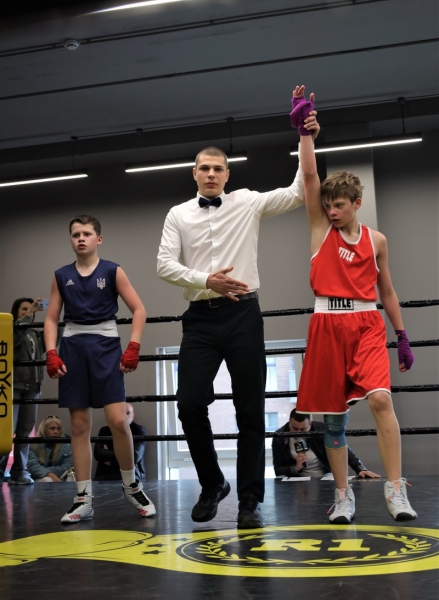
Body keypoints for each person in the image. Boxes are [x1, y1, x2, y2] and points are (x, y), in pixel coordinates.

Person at [157, 112, 320, 529]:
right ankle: (213, 483)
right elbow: (163, 265)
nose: (211, 174)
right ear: (194, 174)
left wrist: (304, 137)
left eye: (218, 168)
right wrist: (205, 280)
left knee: (250, 408)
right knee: (189, 404)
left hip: (244, 315)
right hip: (200, 318)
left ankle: (250, 499)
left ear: (227, 174)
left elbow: (299, 192)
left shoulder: (247, 201)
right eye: (204, 168)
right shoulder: (178, 214)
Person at [291, 85, 417, 523]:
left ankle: (395, 489)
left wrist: (401, 335)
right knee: (333, 422)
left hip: (366, 323)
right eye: (327, 205)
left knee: (381, 399)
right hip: (326, 324)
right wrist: (305, 134)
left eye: (339, 205)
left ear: (357, 204)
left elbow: (388, 291)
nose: (331, 211)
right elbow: (310, 177)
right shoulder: (319, 229)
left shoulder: (376, 240)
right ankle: (343, 495)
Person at [44, 214, 155, 523]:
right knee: (79, 425)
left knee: (118, 420)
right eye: (75, 234)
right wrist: (51, 352)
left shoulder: (112, 270)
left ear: (98, 239)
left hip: (106, 346)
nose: (81, 238)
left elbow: (139, 309)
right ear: (71, 240)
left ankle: (132, 486)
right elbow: (51, 318)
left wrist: (133, 346)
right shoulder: (60, 275)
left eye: (87, 233)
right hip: (73, 347)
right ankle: (83, 499)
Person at [0, 297, 46, 485]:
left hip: (33, 385)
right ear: (16, 312)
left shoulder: (34, 333)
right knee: (6, 431)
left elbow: (54, 339)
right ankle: (0, 471)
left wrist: (56, 314)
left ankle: (19, 472)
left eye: (31, 308)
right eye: (24, 309)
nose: (29, 312)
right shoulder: (10, 329)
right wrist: (29, 316)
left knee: (25, 431)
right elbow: (14, 339)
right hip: (13, 385)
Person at [272, 408, 380, 479]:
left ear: (310, 424)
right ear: (289, 424)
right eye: (294, 429)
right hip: (296, 481)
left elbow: (342, 448)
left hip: (324, 477)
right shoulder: (279, 437)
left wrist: (360, 468)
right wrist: (295, 468)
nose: (298, 433)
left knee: (333, 481)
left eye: (303, 429)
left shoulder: (321, 429)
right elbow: (278, 470)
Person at [94, 402, 146, 481]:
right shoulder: (104, 430)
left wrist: (110, 459)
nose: (124, 416)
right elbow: (98, 454)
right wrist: (126, 453)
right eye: (121, 413)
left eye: (127, 413)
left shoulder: (139, 430)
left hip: (133, 474)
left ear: (133, 416)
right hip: (105, 474)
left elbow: (135, 456)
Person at [28, 415, 73, 482]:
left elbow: (66, 466)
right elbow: (32, 465)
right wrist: (49, 474)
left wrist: (44, 470)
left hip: (61, 477)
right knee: (48, 480)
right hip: (39, 477)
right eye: (52, 428)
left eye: (58, 429)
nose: (56, 432)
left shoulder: (66, 444)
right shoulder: (34, 444)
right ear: (44, 430)